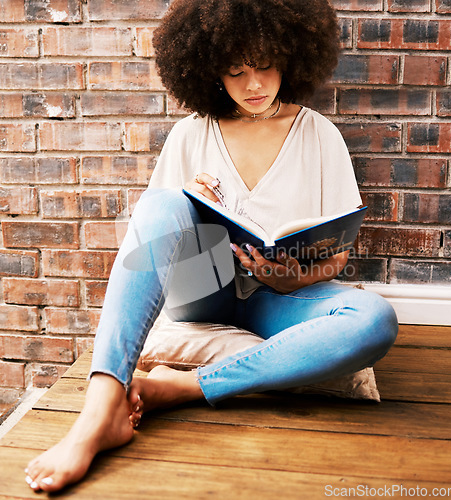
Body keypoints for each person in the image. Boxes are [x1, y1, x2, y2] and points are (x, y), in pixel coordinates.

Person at [24, 0, 398, 492]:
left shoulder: (319, 135)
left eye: (265, 65)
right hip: (203, 289)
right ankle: (98, 412)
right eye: (235, 71)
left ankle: (186, 387)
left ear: (291, 55)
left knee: (375, 319)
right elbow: (150, 243)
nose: (255, 85)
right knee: (161, 206)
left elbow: (339, 253)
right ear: (208, 70)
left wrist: (291, 277)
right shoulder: (189, 134)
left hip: (279, 299)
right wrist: (193, 208)